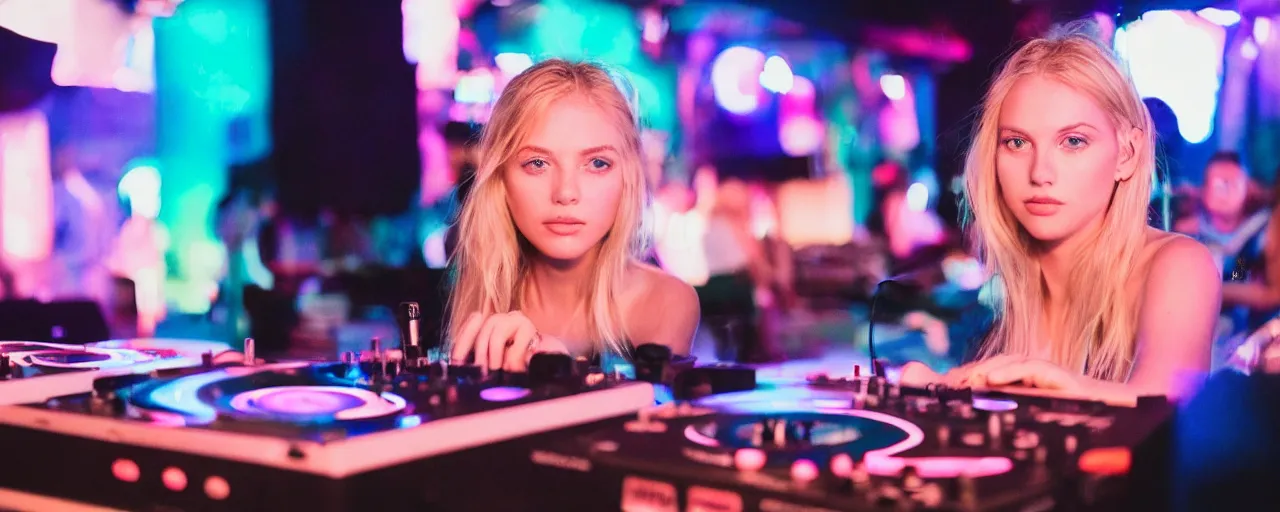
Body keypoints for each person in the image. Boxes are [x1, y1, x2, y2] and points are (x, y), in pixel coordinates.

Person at [901, 23, 1220, 402]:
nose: (1040, 173)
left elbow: (1166, 403)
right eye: (1017, 142)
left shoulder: (1179, 265)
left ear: (1127, 154)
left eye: (1072, 142)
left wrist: (1048, 381)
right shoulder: (1010, 300)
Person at [446, 59, 700, 371]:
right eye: (537, 163)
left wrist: (559, 373)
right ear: (501, 177)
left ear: (628, 177)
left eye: (597, 164)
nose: (566, 193)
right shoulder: (476, 293)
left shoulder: (665, 303)